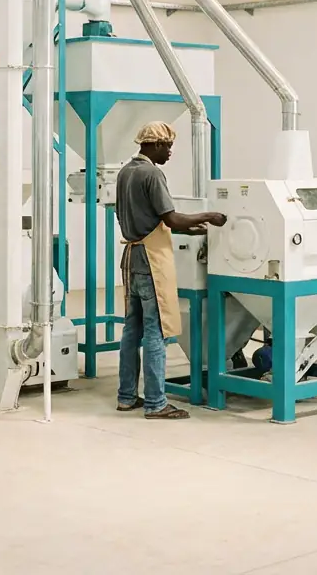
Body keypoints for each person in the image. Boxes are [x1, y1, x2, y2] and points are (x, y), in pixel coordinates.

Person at [115, 121, 227, 420]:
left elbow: (148, 219)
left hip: (132, 257)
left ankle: (126, 397)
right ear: (154, 144)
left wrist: (188, 231)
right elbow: (172, 218)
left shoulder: (125, 171)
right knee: (157, 330)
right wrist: (209, 216)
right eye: (167, 146)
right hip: (151, 261)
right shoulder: (152, 173)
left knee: (131, 330)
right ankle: (156, 403)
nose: (169, 152)